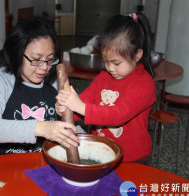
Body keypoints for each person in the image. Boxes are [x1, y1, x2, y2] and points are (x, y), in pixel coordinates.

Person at [56, 13, 156, 163]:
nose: (110, 68)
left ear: (137, 55)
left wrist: (79, 106)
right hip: (103, 154)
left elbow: (118, 115)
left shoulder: (144, 84)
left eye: (116, 63)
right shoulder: (102, 78)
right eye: (105, 61)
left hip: (133, 158)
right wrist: (65, 108)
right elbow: (82, 104)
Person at [0, 17, 80, 157]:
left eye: (49, 59)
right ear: (16, 53)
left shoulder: (54, 83)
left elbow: (71, 125)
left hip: (40, 163)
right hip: (1, 163)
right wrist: (40, 128)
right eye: (36, 59)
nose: (44, 67)